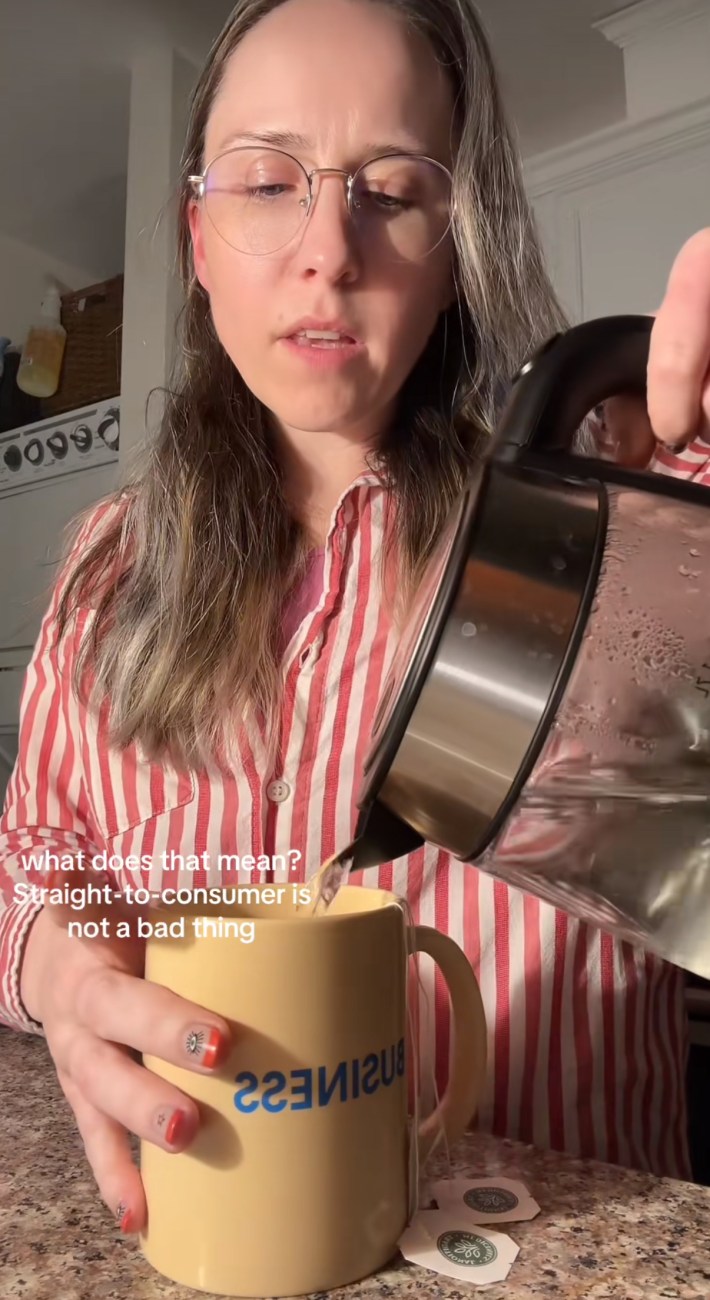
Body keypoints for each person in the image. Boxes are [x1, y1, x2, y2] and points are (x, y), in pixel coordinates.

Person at [1, 0, 709, 1239]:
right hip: (215, 1236)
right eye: (266, 182)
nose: (328, 248)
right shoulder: (106, 567)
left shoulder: (624, 514)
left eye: (391, 190)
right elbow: (40, 855)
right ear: (199, 238)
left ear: (451, 256)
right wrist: (53, 959)